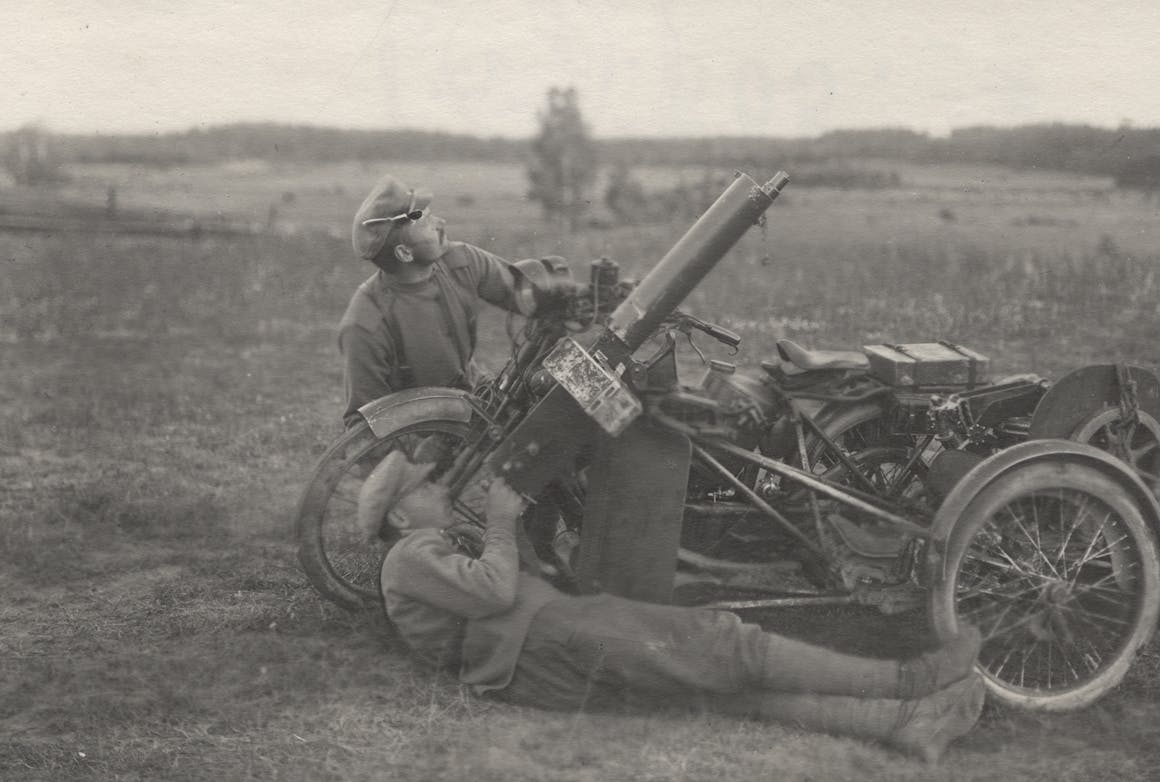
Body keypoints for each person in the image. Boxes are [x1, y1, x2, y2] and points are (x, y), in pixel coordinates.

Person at [357, 450, 987, 764]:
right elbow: (496, 589)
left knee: (713, 691)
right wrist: (499, 521)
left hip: (535, 658)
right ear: (396, 514)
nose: (438, 486)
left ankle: (900, 725)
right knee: (721, 645)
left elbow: (513, 578)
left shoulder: (428, 550)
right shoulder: (408, 556)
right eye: (423, 486)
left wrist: (521, 531)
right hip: (547, 637)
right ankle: (911, 681)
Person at [339, 176, 537, 429]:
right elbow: (363, 425)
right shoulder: (365, 324)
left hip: (476, 401)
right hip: (420, 434)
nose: (441, 223)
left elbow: (523, 293)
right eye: (426, 222)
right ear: (404, 253)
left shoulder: (460, 262)